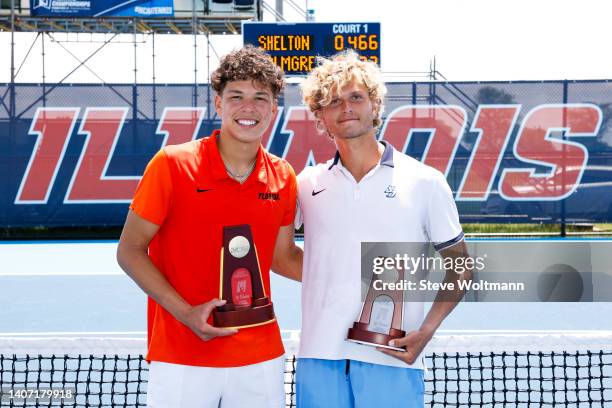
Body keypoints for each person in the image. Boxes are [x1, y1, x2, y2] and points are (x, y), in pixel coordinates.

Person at [116, 45, 302, 408]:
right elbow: (129, 251)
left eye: (260, 98)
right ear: (218, 104)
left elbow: (284, 258)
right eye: (236, 96)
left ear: (274, 109)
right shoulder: (172, 164)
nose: (248, 108)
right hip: (182, 354)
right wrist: (186, 313)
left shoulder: (283, 176)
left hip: (260, 358)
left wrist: (356, 276)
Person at [295, 50, 472, 407]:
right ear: (320, 119)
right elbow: (276, 254)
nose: (346, 108)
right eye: (332, 102)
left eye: (355, 97)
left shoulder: (425, 181)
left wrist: (426, 330)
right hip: (318, 357)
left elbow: (461, 266)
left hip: (391, 358)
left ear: (375, 106)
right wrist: (332, 273)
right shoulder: (305, 184)